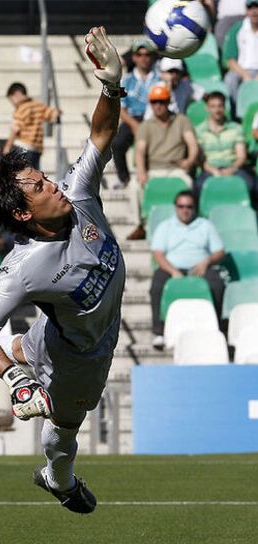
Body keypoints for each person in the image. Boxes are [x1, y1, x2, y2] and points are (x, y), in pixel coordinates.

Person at [0, 27, 126, 514]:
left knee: (22, 345)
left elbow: (99, 132)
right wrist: (16, 380)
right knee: (63, 430)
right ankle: (59, 478)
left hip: (74, 328)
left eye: (45, 177)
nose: (53, 183)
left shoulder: (78, 193)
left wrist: (112, 86)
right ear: (22, 213)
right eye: (38, 186)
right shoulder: (23, 268)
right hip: (81, 351)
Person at [150, 190, 225, 350]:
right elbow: (158, 254)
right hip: (172, 268)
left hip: (200, 268)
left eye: (189, 206)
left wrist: (207, 261)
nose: (185, 210)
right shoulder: (165, 226)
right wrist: (173, 271)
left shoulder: (206, 225)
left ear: (194, 208)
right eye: (181, 206)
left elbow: (219, 251)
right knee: (157, 286)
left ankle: (218, 328)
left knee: (217, 285)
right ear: (176, 207)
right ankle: (159, 332)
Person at [128, 83, 199, 240]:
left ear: (168, 102)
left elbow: (192, 144)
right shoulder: (145, 126)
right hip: (153, 169)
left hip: (176, 169)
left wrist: (189, 161)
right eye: (154, 102)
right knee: (134, 186)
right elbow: (140, 151)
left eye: (162, 101)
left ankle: (188, 221)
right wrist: (141, 172)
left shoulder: (182, 121)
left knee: (188, 182)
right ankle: (139, 225)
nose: (158, 105)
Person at [111, 39, 159, 189]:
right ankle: (123, 178)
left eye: (147, 54)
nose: (144, 58)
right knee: (117, 144)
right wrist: (134, 125)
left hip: (156, 119)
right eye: (139, 54)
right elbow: (120, 108)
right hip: (133, 118)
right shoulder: (126, 80)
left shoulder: (161, 78)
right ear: (134, 57)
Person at [195, 91, 256, 203]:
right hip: (210, 169)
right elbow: (200, 159)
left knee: (251, 185)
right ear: (207, 108)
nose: (217, 110)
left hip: (233, 167)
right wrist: (214, 171)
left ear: (224, 107)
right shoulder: (199, 131)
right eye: (213, 106)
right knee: (198, 187)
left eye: (220, 106)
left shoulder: (236, 128)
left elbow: (241, 156)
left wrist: (231, 169)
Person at [3, 82, 60, 170]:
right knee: (34, 174)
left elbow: (15, 129)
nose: (13, 104)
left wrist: (7, 146)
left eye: (12, 100)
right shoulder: (38, 105)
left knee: (23, 174)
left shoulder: (21, 109)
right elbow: (51, 114)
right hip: (36, 149)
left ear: (17, 94)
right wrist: (56, 112)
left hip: (22, 147)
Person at [222, 0, 258, 112]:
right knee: (230, 79)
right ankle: (233, 115)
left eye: (257, 7)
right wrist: (245, 75)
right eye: (250, 7)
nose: (254, 11)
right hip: (241, 70)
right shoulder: (237, 29)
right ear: (246, 11)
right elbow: (230, 60)